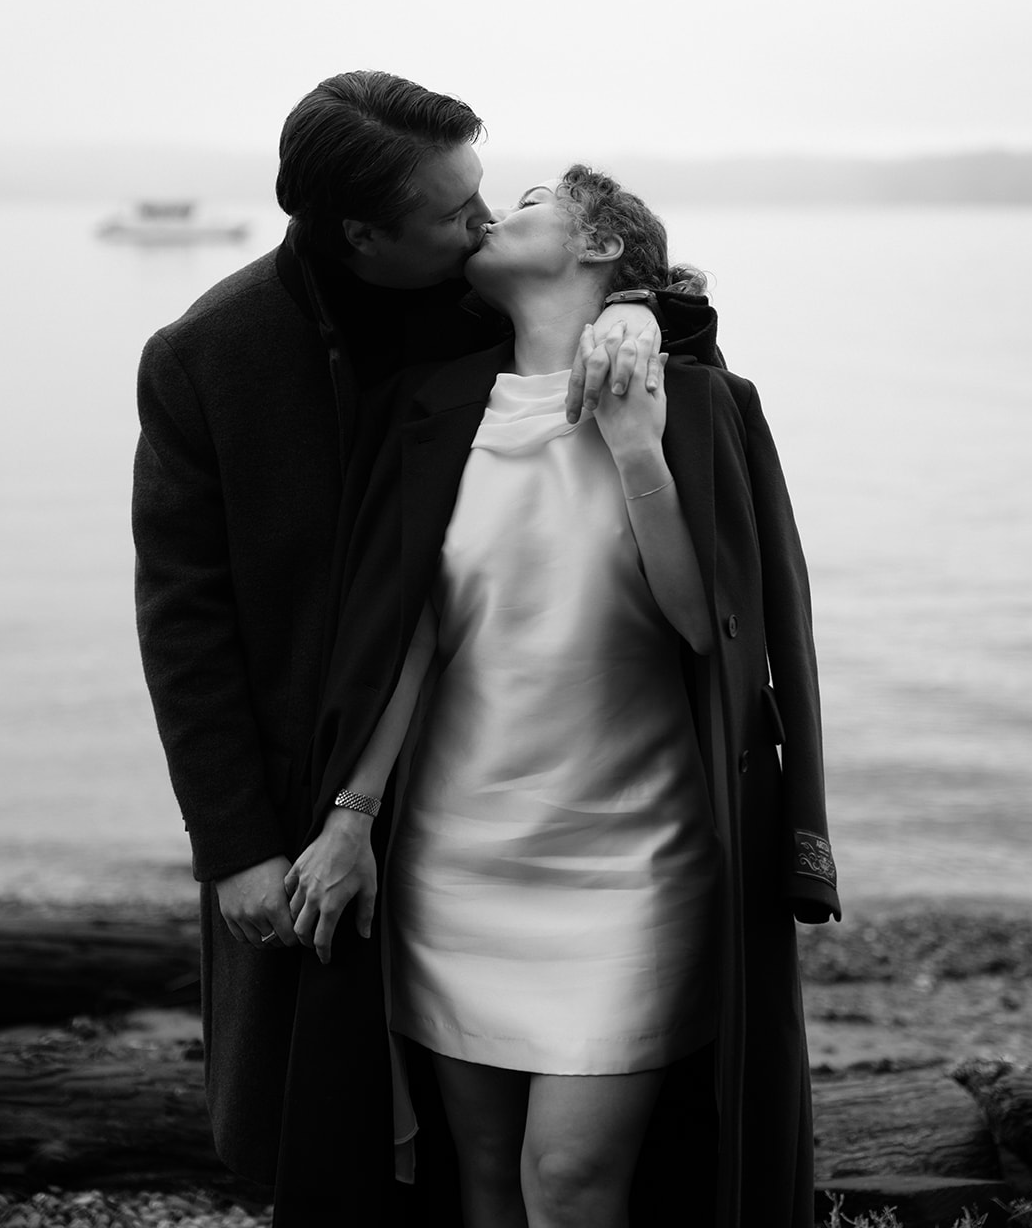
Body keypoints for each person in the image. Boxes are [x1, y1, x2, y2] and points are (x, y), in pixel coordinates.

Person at [132, 75, 709, 1227]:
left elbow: (645, 311)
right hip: (331, 800)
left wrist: (641, 311)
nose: (482, 223)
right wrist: (238, 844)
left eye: (488, 193)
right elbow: (183, 620)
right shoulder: (208, 356)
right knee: (350, 1138)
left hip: (534, 808)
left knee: (531, 1167)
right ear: (360, 234)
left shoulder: (472, 303)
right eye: (455, 211)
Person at [294, 166, 840, 1228]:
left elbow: (703, 626)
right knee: (487, 1172)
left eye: (534, 200)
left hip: (631, 862)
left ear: (598, 250)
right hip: (456, 859)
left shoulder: (697, 405)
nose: (498, 212)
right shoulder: (434, 404)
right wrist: (351, 817)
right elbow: (411, 635)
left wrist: (635, 443)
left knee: (572, 1179)